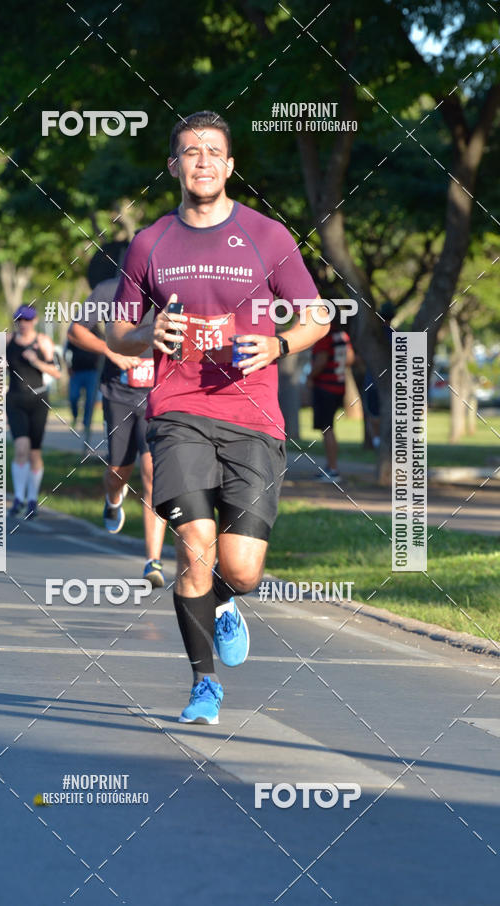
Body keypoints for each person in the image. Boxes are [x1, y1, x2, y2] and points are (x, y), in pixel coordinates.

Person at [102, 110, 329, 724]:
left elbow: (317, 316)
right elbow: (117, 332)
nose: (202, 161)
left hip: (254, 417)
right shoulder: (149, 243)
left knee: (241, 568)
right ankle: (204, 684)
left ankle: (228, 601)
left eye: (213, 152)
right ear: (173, 165)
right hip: (178, 413)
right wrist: (150, 331)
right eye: (189, 151)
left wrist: (279, 344)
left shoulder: (269, 236)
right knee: (194, 546)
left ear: (230, 166)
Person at [68, 277, 167, 588]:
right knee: (117, 472)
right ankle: (113, 500)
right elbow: (76, 331)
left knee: (153, 473)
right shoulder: (110, 290)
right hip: (119, 394)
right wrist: (110, 351)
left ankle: (153, 561)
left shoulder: (174, 286)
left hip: (158, 395)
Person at [6, 304, 61, 520]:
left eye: (27, 319)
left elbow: (56, 372)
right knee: (21, 448)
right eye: (19, 320)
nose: (23, 324)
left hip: (38, 399)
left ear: (35, 320)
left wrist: (35, 360)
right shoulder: (8, 341)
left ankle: (32, 499)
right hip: (15, 399)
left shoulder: (43, 342)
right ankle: (18, 498)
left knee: (34, 452)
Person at [309, 309, 354, 482]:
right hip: (339, 386)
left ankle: (333, 469)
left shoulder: (324, 336)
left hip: (325, 387)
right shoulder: (342, 335)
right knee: (329, 428)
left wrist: (310, 376)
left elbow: (321, 360)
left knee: (327, 429)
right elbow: (350, 359)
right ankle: (330, 467)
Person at [363, 301, 394, 449]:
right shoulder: (396, 336)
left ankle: (378, 441)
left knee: (373, 416)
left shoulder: (373, 336)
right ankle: (383, 442)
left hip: (373, 383)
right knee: (386, 415)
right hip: (390, 384)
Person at [65, 330, 100, 446]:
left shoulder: (98, 333)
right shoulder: (76, 331)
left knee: (90, 400)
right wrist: (68, 366)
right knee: (73, 396)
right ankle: (75, 416)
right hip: (76, 372)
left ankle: (86, 423)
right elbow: (67, 351)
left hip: (93, 373)